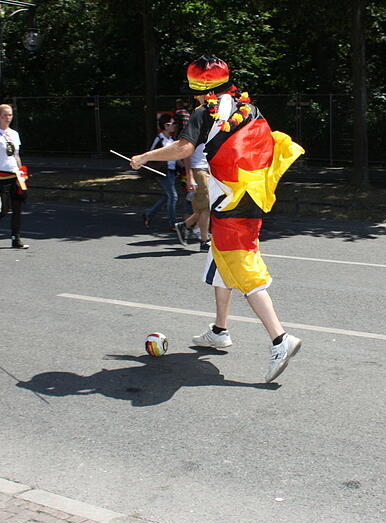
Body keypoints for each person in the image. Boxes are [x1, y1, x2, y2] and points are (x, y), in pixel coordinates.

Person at [129, 56, 305, 383]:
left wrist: (146, 156)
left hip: (231, 200)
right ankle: (220, 330)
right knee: (219, 259)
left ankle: (280, 339)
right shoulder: (247, 107)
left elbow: (183, 149)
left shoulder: (203, 113)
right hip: (252, 192)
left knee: (243, 266)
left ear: (198, 90)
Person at [0, 104, 29, 249]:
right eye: (4, 115)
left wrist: (22, 173)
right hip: (0, 174)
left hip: (15, 173)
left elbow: (16, 155)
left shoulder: (14, 134)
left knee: (17, 208)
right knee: (3, 209)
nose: (7, 118)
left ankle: (16, 238)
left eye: (10, 115)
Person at [141, 114, 179, 230]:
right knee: (173, 197)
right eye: (173, 124)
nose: (174, 126)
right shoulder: (160, 138)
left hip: (171, 171)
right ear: (166, 125)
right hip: (162, 171)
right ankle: (173, 224)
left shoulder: (172, 139)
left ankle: (148, 214)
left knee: (168, 196)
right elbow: (151, 153)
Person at [174, 141, 212, 250]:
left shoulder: (210, 130)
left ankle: (185, 225)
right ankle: (204, 240)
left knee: (205, 207)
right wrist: (190, 177)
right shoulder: (196, 131)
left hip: (207, 170)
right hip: (199, 170)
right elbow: (186, 155)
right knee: (206, 206)